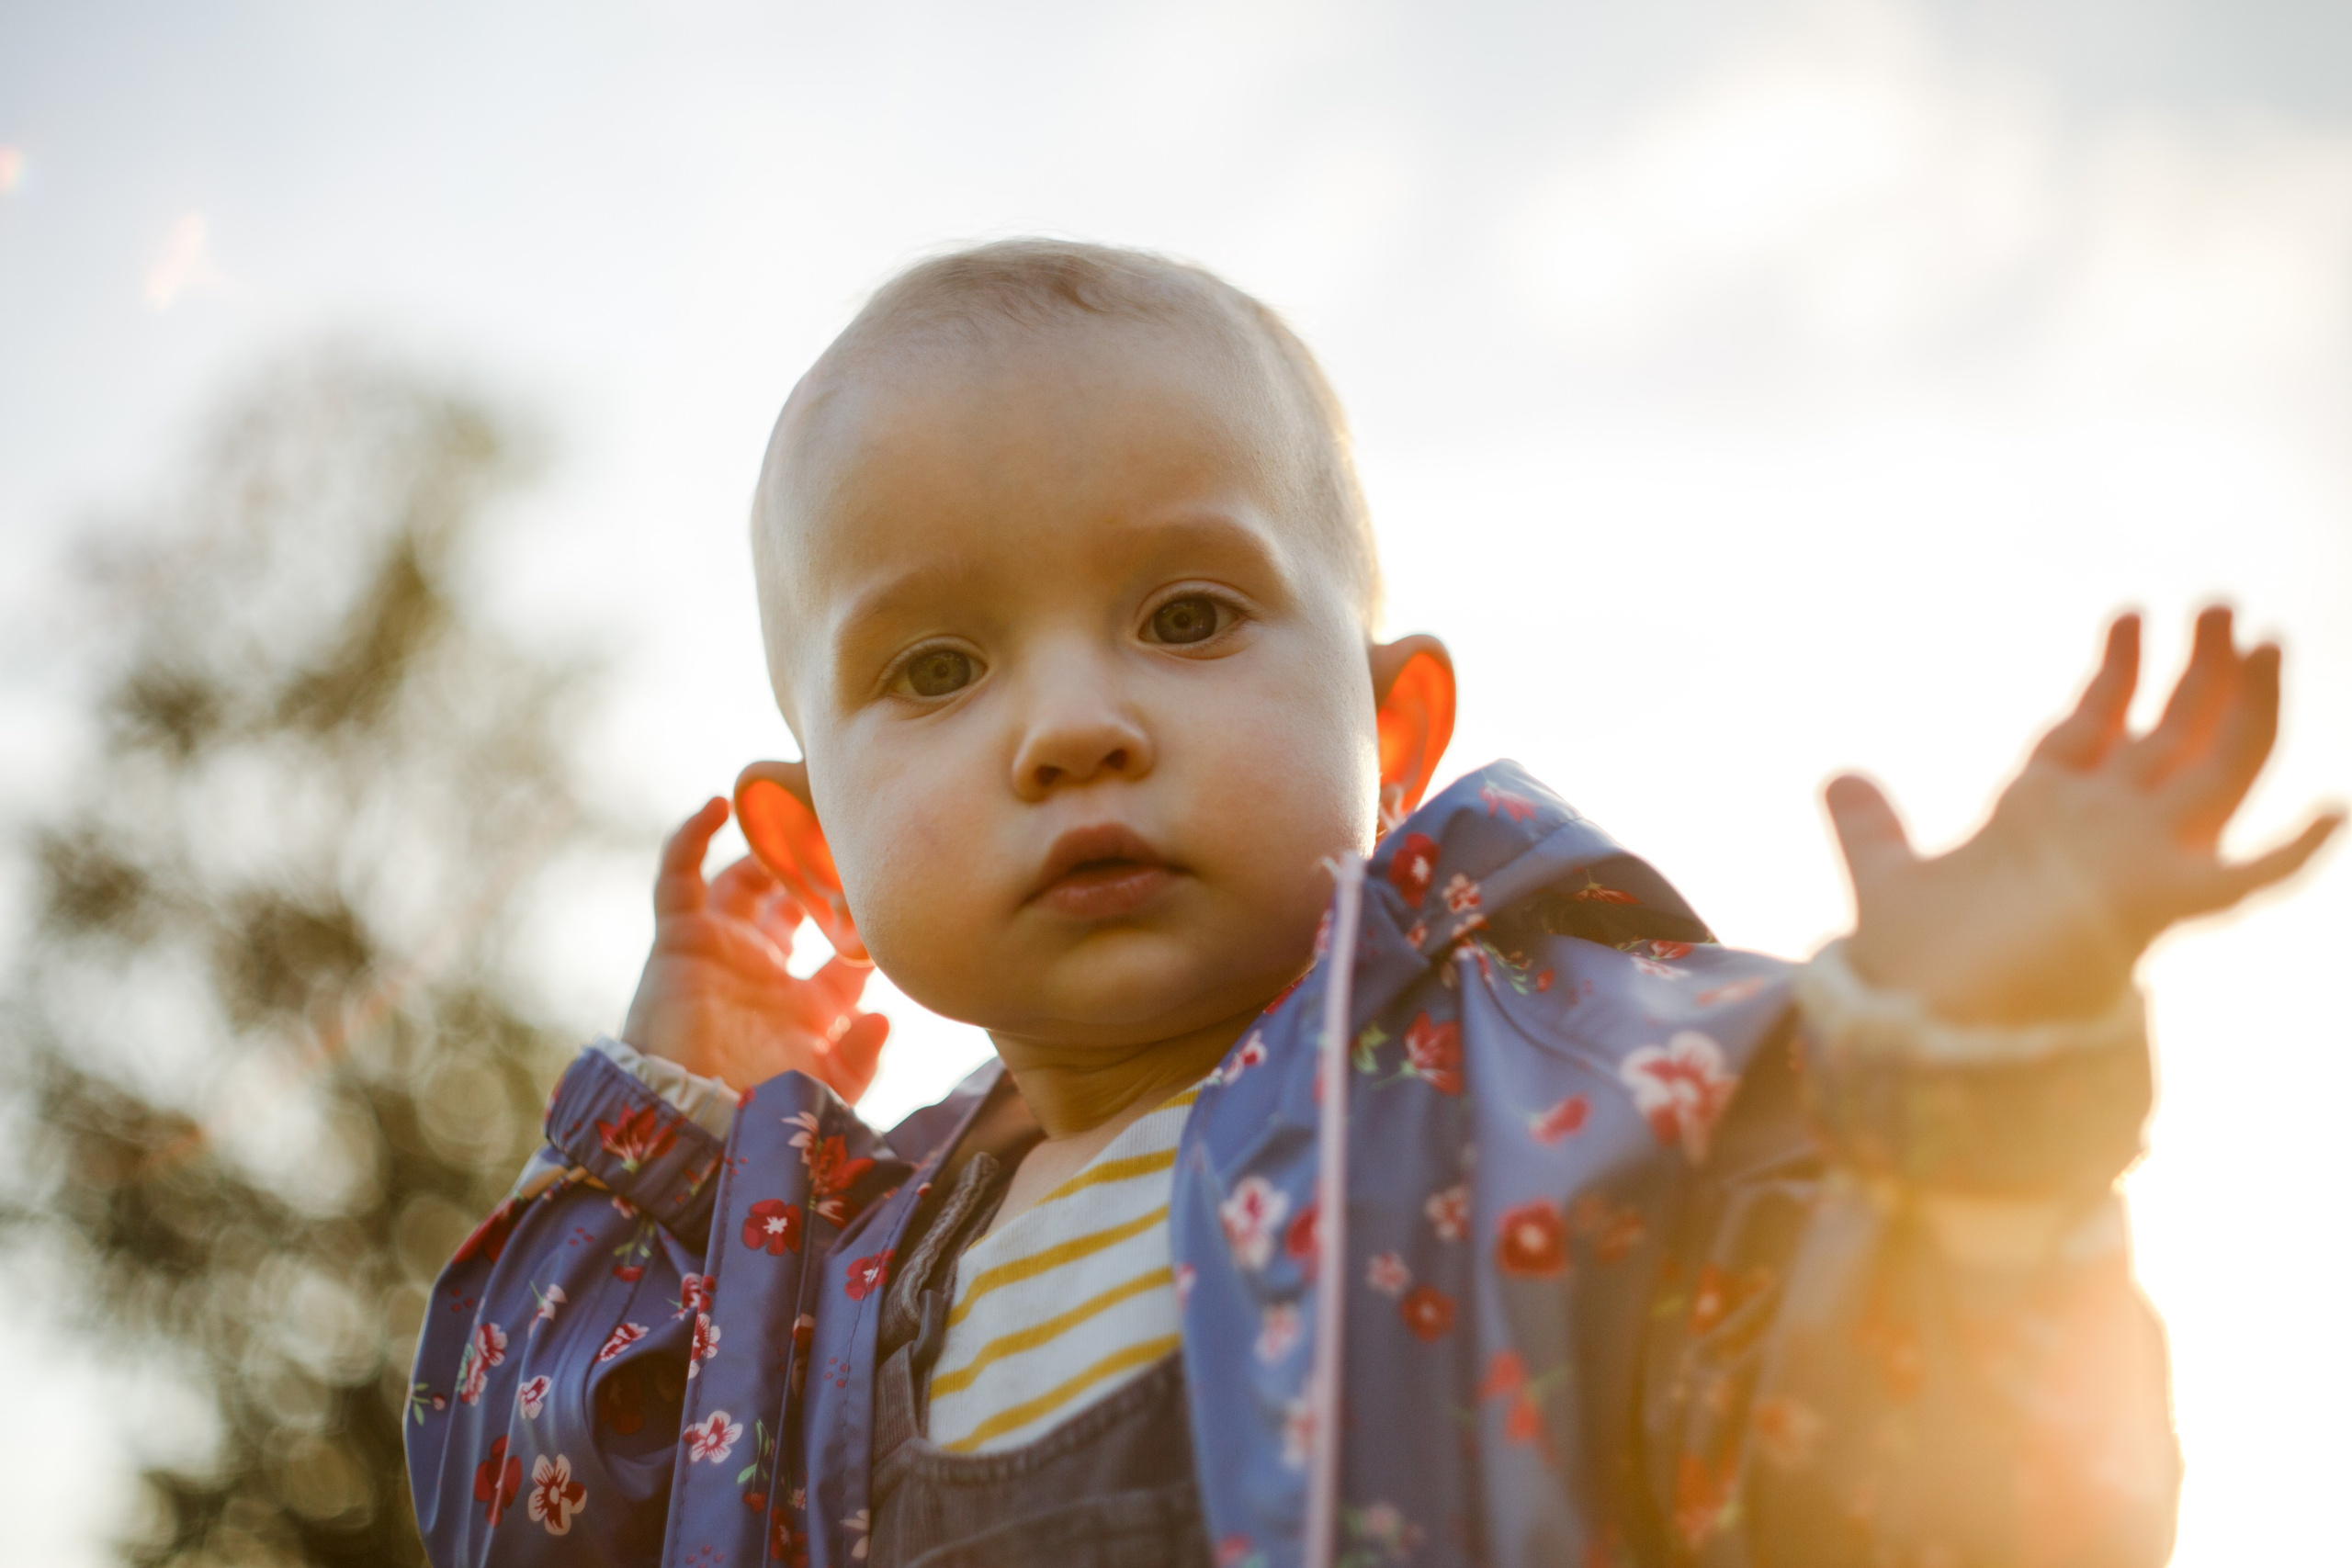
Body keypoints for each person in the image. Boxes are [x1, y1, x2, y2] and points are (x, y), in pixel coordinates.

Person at [405, 240, 2338, 1568]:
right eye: (931, 668)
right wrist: (666, 1155)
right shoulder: (803, 1290)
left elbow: (1912, 1498)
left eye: (1186, 612)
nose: (1074, 724)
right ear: (810, 844)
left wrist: (1967, 1109)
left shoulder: (1574, 1104)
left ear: (1393, 731)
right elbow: (529, 1511)